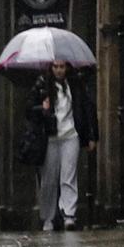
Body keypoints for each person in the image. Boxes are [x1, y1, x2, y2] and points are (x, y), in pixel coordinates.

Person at [27, 60, 98, 231]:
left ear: (67, 68)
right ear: (51, 68)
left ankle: (69, 214)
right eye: (56, 67)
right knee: (49, 179)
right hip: (50, 136)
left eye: (62, 67)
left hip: (70, 135)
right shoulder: (42, 84)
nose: (59, 70)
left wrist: (91, 135)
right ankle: (48, 217)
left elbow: (87, 108)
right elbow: (28, 110)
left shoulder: (75, 84)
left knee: (69, 176)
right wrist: (42, 108)